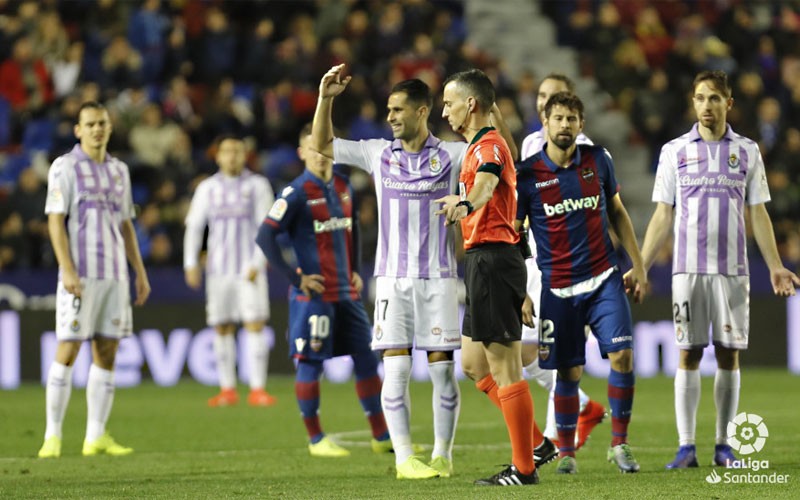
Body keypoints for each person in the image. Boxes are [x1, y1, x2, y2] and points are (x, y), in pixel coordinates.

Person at [632, 70, 800, 469]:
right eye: (700, 98)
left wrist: (776, 266)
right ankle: (686, 446)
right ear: (693, 103)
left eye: (714, 98)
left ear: (729, 104)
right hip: (687, 272)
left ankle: (723, 445)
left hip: (733, 272)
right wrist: (640, 266)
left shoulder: (747, 151)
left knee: (728, 356)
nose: (707, 105)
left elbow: (757, 213)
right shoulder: (675, 151)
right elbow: (662, 215)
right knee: (688, 353)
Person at [310, 64, 464, 479]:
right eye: (389, 110)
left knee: (443, 371)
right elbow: (321, 143)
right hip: (392, 281)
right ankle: (403, 459)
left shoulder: (452, 155)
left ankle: (442, 454)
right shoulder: (378, 152)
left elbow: (498, 156)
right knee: (395, 369)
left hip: (440, 279)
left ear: (422, 111)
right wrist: (326, 98)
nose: (391, 116)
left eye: (398, 109)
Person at [516, 91, 647, 475]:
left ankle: (620, 444)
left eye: (571, 119)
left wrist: (636, 265)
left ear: (581, 124)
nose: (564, 125)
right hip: (557, 287)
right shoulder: (528, 175)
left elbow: (618, 213)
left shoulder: (597, 161)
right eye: (557, 118)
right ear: (545, 123)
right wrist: (521, 290)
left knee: (622, 356)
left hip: (604, 278)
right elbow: (515, 235)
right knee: (568, 371)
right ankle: (568, 452)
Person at [255, 124, 392, 458]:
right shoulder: (296, 192)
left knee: (366, 360)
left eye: (323, 149)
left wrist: (356, 271)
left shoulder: (345, 186)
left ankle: (381, 436)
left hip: (347, 292)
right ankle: (316, 439)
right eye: (311, 149)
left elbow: (354, 228)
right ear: (302, 153)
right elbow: (265, 236)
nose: (319, 156)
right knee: (310, 364)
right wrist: (295, 277)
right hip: (313, 297)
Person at [437, 68, 538, 486]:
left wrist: (464, 203)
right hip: (482, 261)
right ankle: (535, 444)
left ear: (471, 105)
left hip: (495, 259)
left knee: (504, 368)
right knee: (474, 363)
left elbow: (484, 186)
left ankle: (524, 468)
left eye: (448, 102)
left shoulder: (489, 146)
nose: (445, 110)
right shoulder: (478, 145)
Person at [38, 101, 151, 458]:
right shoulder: (65, 167)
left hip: (115, 275)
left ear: (110, 127)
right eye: (90, 124)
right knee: (68, 349)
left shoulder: (119, 170)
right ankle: (52, 436)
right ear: (78, 130)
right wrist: (67, 268)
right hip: (81, 275)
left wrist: (140, 272)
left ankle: (95, 436)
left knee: (106, 352)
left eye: (102, 123)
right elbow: (56, 220)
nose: (97, 129)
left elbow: (125, 224)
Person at [519, 73, 606, 454]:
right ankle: (585, 407)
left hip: (574, 264)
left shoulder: (585, 151)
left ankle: (557, 440)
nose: (544, 102)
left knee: (560, 352)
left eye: (552, 97)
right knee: (528, 354)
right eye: (540, 96)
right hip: (536, 259)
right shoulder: (529, 143)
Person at [184, 134, 276, 408]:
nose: (232, 156)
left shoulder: (258, 185)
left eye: (237, 151)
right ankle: (227, 389)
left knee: (254, 323)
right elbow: (194, 226)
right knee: (221, 326)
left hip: (248, 269)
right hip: (218, 269)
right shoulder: (207, 188)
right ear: (218, 156)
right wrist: (190, 263)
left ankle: (258, 388)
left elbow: (267, 227)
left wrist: (257, 262)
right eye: (227, 151)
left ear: (244, 155)